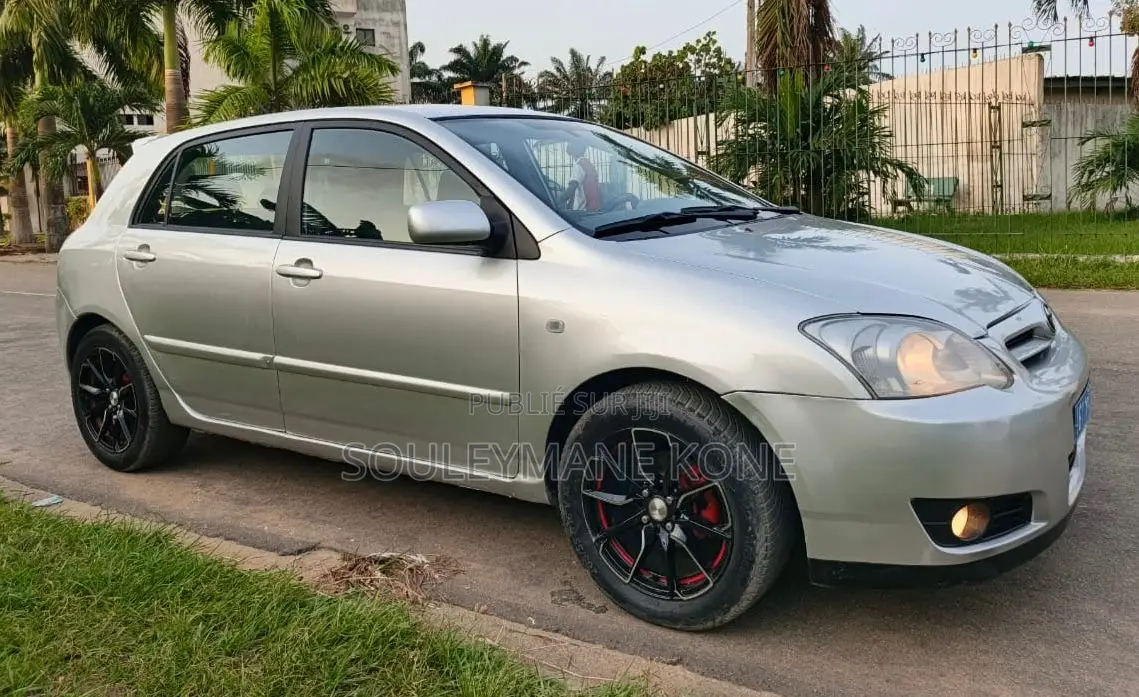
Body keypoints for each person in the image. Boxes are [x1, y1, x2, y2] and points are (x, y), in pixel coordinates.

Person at [560, 140, 601, 212]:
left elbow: (570, 191)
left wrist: (553, 201)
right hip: (593, 209)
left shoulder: (579, 165)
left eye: (570, 144)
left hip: (582, 212)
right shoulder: (588, 164)